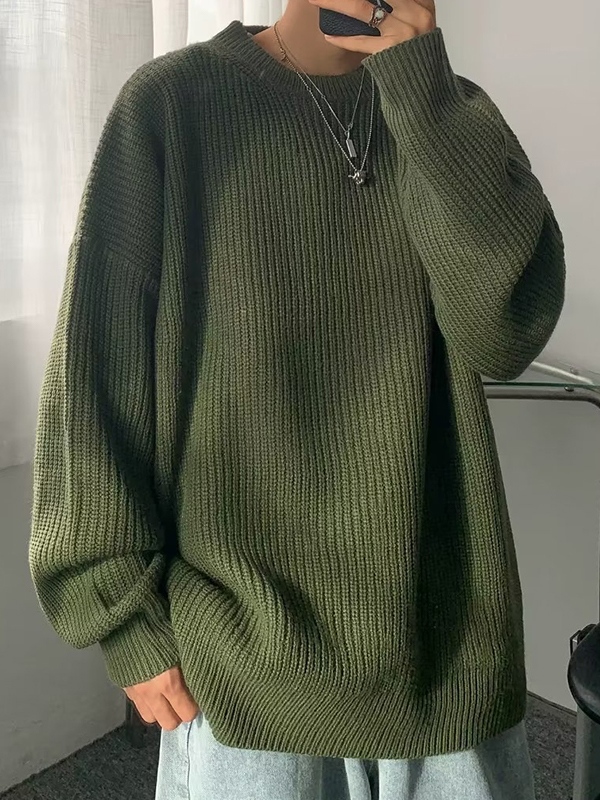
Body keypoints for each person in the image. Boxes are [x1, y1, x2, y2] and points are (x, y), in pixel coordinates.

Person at [29, 0, 566, 797]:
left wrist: (421, 96)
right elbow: (96, 373)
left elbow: (506, 334)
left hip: (444, 647)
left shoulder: (452, 114)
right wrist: (119, 614)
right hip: (241, 657)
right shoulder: (171, 105)